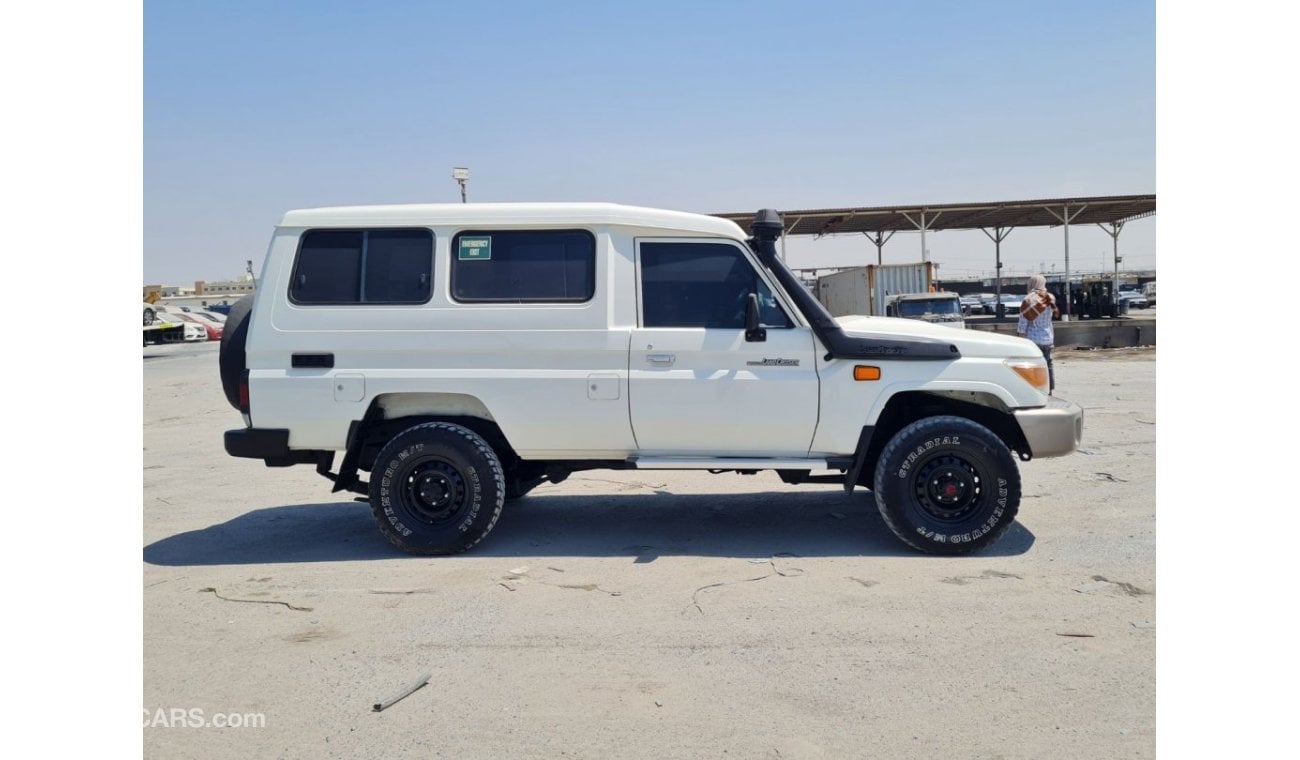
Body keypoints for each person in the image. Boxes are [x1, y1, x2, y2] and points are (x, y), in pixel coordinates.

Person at [1017, 275, 1060, 394]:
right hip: (1048, 337)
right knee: (1048, 364)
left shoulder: (1028, 299)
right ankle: (1050, 389)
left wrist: (1021, 339)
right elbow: (1052, 316)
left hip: (1032, 340)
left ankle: (1036, 389)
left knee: (1033, 366)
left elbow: (1023, 322)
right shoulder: (1050, 297)